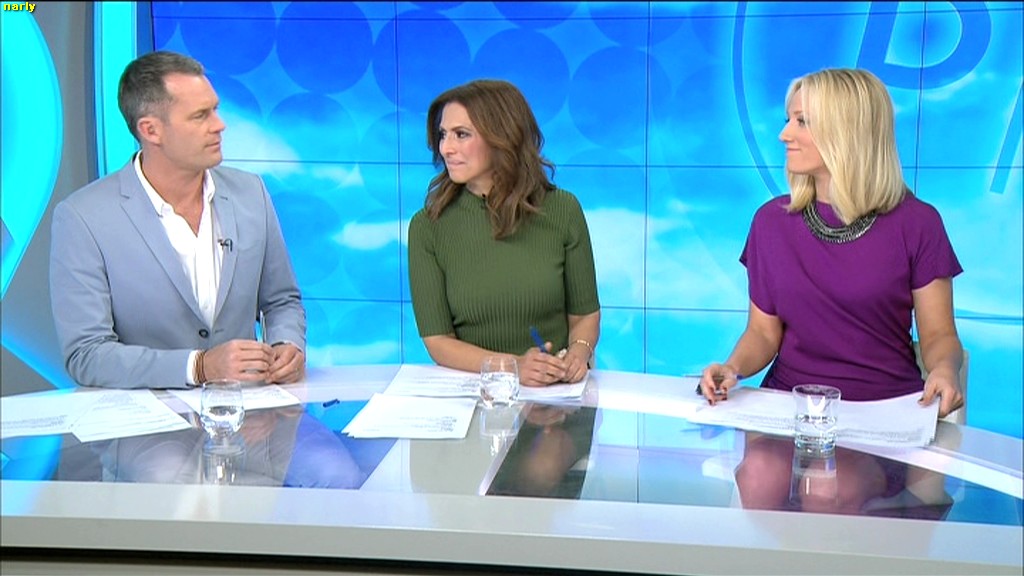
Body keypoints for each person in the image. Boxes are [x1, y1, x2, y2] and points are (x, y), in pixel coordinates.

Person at [699, 68, 965, 511]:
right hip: (791, 411)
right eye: (788, 119)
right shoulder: (770, 222)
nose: (784, 134)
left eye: (802, 122)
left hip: (880, 414)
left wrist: (944, 370)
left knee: (826, 487)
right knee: (759, 474)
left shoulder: (919, 224)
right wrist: (732, 368)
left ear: (847, 131)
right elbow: (762, 333)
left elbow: (939, 336)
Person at [50, 50, 306, 389]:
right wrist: (198, 367)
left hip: (250, 412)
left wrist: (286, 344)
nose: (219, 125)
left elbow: (281, 301)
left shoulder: (251, 192)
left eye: (215, 109)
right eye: (200, 116)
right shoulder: (83, 218)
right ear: (151, 130)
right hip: (146, 418)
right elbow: (87, 354)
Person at [408, 79, 600, 387]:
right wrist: (513, 367)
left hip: (554, 394)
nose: (446, 148)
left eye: (461, 134)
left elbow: (585, 316)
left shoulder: (563, 210)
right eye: (443, 135)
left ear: (502, 136)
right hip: (473, 395)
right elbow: (438, 341)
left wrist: (578, 353)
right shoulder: (428, 227)